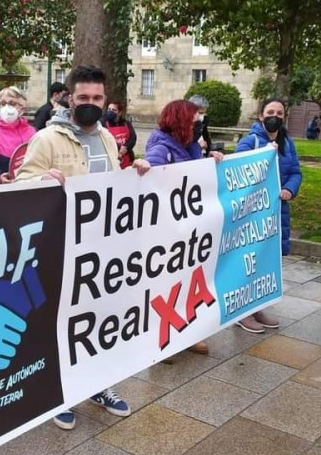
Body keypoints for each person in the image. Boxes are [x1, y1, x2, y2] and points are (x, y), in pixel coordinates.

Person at [15, 65, 150, 431]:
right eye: (83, 98)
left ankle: (97, 385)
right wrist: (40, 179)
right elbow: (21, 180)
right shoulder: (48, 139)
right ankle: (57, 393)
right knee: (61, 323)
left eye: (97, 98)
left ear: (105, 100)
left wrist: (134, 172)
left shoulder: (107, 137)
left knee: (98, 319)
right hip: (62, 246)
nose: (91, 104)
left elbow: (111, 183)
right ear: (69, 99)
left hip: (102, 251)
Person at [144, 99, 224, 352]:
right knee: (168, 286)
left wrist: (210, 160)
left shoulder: (189, 145)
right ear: (180, 120)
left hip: (188, 228)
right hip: (170, 230)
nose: (198, 122)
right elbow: (151, 184)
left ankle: (186, 332)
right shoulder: (161, 148)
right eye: (194, 118)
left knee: (188, 283)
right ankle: (163, 341)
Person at [234, 98, 300, 333]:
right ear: (261, 116)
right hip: (252, 214)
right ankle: (242, 312)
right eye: (270, 112)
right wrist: (263, 154)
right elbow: (236, 171)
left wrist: (290, 189)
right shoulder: (250, 142)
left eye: (280, 112)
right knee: (249, 262)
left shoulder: (287, 144)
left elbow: (295, 171)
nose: (275, 116)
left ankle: (257, 306)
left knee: (266, 261)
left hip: (276, 211)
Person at [102, 99, 137, 168]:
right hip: (112, 157)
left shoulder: (126, 123)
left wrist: (126, 147)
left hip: (127, 157)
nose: (110, 112)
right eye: (109, 109)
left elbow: (133, 138)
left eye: (114, 110)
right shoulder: (103, 123)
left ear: (119, 113)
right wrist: (119, 149)